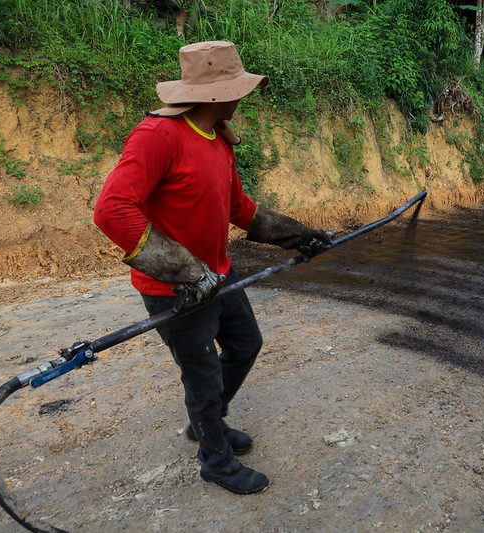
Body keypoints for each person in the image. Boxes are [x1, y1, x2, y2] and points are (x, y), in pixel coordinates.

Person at [93, 41, 330, 495]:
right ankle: (214, 458)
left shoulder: (218, 136)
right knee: (201, 374)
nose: (244, 97)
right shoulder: (157, 136)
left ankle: (208, 425)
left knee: (246, 344)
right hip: (176, 289)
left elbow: (239, 208)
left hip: (219, 273)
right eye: (237, 88)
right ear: (214, 94)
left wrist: (299, 236)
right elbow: (112, 210)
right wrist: (185, 271)